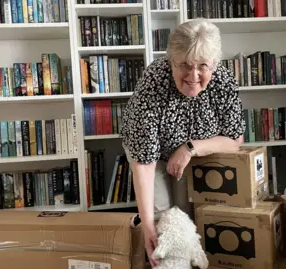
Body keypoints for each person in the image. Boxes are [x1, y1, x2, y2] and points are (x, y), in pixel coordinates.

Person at [120, 18, 246, 266]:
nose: (193, 75)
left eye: (202, 66)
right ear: (171, 61)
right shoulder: (154, 81)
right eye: (185, 65)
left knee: (185, 215)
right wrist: (147, 227)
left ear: (215, 64)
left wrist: (190, 148)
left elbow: (234, 138)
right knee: (162, 220)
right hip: (148, 152)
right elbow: (144, 163)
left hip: (190, 152)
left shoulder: (223, 81)